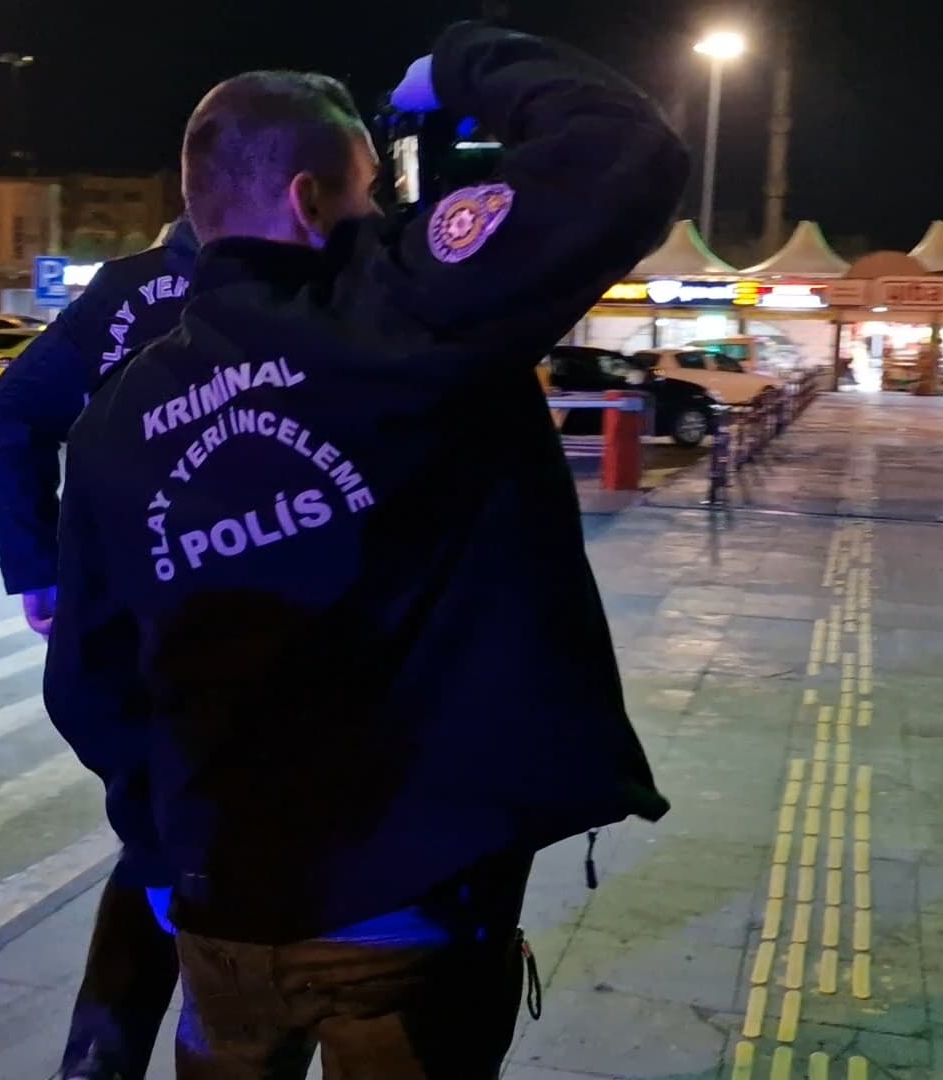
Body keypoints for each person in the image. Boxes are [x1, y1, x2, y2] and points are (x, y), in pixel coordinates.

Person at [47, 20, 685, 1077]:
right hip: (408, 918)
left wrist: (170, 855)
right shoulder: (406, 310)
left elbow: (87, 681)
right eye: (371, 192)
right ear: (311, 201)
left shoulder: (116, 418)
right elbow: (623, 153)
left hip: (222, 926)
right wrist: (465, 62)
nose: (386, 217)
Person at [0, 218, 198, 1080]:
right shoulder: (308, 291)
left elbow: (15, 408)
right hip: (241, 613)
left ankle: (99, 1057)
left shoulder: (121, 290)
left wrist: (39, 568)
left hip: (121, 620)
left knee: (156, 839)